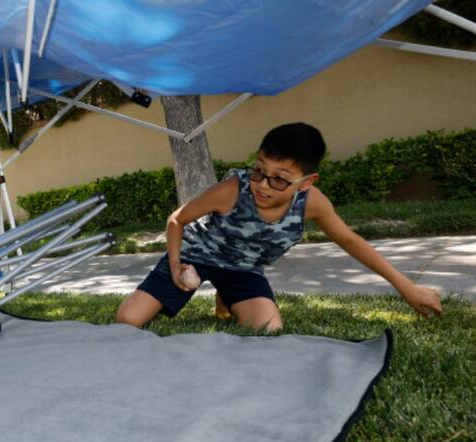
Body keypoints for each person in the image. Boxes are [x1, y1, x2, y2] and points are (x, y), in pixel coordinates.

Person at [114, 122, 443, 331]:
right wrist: (174, 265)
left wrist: (407, 287)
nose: (263, 184)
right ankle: (205, 294)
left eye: (280, 179)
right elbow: (177, 219)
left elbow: (351, 241)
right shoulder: (232, 189)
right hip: (194, 256)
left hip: (244, 270)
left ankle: (226, 297)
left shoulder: (312, 203)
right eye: (259, 170)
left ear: (306, 182)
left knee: (268, 331)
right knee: (127, 321)